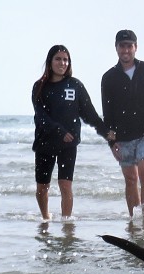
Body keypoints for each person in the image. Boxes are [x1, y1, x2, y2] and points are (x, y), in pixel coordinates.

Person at [32, 44, 109, 221]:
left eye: (65, 59)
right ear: (50, 61)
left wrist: (107, 132)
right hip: (45, 143)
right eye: (58, 59)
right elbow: (41, 116)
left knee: (65, 185)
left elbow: (89, 114)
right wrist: (59, 131)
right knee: (42, 187)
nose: (62, 63)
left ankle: (66, 222)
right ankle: (45, 219)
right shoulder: (40, 87)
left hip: (68, 145)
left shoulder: (75, 86)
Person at [101, 29, 144, 218]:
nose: (126, 50)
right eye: (122, 46)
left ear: (135, 48)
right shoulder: (108, 78)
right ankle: (134, 220)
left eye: (129, 46)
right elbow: (107, 115)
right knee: (131, 180)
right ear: (116, 48)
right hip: (123, 138)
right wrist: (111, 142)